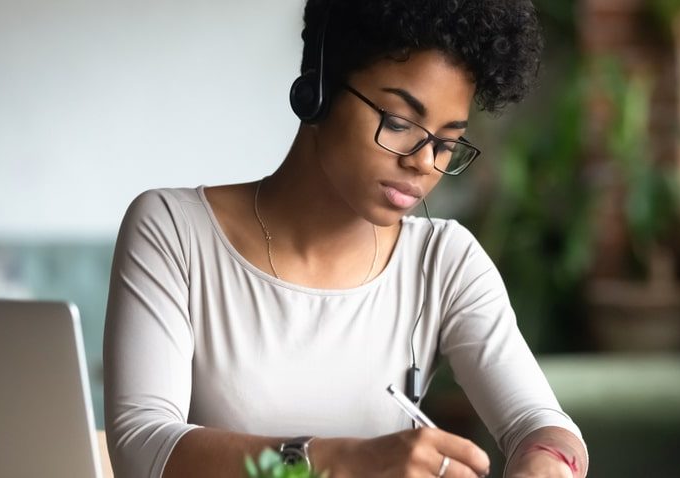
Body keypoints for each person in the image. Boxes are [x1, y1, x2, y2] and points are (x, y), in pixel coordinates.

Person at [103, 0, 588, 477]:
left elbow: (540, 423)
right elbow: (143, 447)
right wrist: (339, 462)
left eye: (446, 142)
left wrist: (545, 459)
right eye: (399, 123)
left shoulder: (444, 263)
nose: (423, 162)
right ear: (318, 89)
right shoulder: (175, 231)